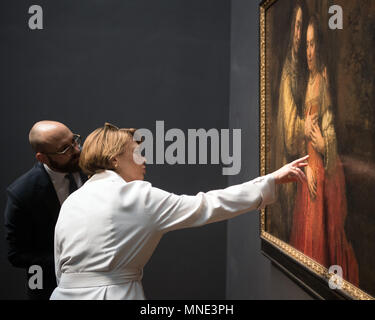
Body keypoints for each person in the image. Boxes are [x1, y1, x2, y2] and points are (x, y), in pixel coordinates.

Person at [50, 123, 309, 300]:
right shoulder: (136, 196)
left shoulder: (73, 200)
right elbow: (206, 205)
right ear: (115, 159)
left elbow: (60, 269)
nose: (144, 161)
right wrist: (271, 180)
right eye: (137, 154)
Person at [289, 16, 359, 285]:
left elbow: (329, 133)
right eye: (306, 45)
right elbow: (304, 135)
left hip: (323, 170)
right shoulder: (308, 82)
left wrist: (322, 145)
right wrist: (307, 161)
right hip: (310, 168)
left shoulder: (323, 81)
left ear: (320, 46)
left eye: (313, 44)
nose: (308, 51)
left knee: (323, 241)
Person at [4, 120, 87, 300]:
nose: (77, 150)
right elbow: (16, 254)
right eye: (65, 149)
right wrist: (67, 262)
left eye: (74, 140)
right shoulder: (22, 193)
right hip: (50, 289)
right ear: (42, 158)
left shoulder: (92, 167)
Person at [272, 2, 310, 241]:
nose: (299, 34)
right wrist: (304, 127)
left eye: (301, 27)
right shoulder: (288, 71)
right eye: (296, 27)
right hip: (289, 161)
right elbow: (289, 134)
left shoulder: (303, 67)